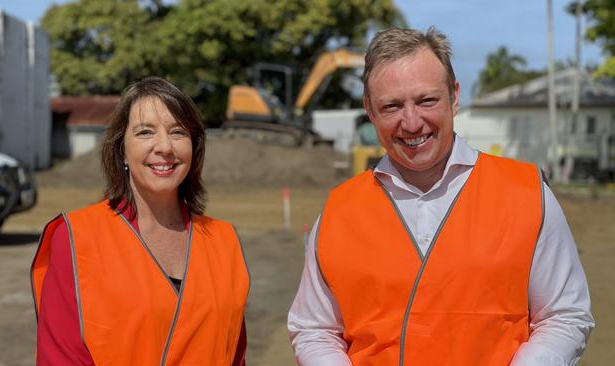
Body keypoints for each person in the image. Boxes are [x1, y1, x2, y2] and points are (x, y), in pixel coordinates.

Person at [288, 27, 594, 365]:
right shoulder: (339, 210)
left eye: (426, 100)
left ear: (454, 96)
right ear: (370, 111)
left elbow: (564, 316)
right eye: (391, 106)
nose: (412, 122)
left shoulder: (527, 193)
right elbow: (314, 328)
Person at [31, 77, 249, 365]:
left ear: (194, 147)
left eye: (178, 132)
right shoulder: (76, 238)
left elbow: (234, 352)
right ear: (121, 148)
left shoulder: (223, 240)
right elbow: (61, 356)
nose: (165, 146)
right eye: (145, 132)